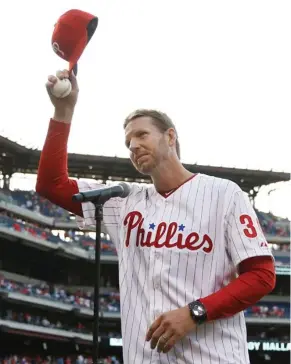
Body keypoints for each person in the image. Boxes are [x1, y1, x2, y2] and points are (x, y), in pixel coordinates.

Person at [36, 70, 276, 364]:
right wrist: (63, 110)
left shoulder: (224, 194)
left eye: (141, 135)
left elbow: (261, 276)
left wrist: (194, 313)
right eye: (127, 143)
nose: (133, 146)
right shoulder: (122, 201)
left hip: (214, 357)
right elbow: (51, 184)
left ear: (170, 136)